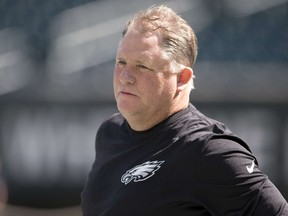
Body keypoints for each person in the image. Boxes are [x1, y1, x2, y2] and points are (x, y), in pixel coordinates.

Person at [81, 5, 288, 215]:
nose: (125, 76)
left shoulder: (209, 150)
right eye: (121, 62)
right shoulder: (110, 132)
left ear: (182, 78)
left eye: (142, 66)